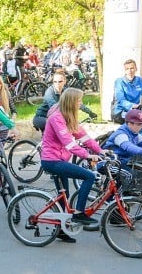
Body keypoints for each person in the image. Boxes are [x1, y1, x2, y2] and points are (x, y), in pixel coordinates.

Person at [40, 87, 106, 239]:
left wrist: (100, 151)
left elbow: (84, 138)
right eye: (79, 100)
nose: (80, 103)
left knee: (64, 196)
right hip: (52, 161)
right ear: (71, 102)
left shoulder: (68, 117)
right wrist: (88, 156)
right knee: (88, 176)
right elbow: (70, 144)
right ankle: (79, 213)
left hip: (60, 160)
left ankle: (61, 231)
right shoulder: (57, 118)